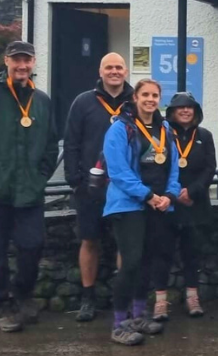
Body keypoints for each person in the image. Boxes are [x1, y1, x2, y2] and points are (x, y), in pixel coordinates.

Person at [102, 78, 179, 346]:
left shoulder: (165, 128)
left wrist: (169, 195)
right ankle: (119, 323)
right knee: (131, 262)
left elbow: (174, 166)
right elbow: (119, 171)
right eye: (145, 94)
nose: (150, 99)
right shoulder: (121, 128)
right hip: (129, 205)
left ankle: (138, 315)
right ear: (135, 97)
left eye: (155, 95)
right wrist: (147, 196)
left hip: (158, 206)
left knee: (148, 261)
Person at [62, 52, 133, 322]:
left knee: (124, 243)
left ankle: (122, 298)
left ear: (125, 71)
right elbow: (71, 142)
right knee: (89, 239)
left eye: (118, 67)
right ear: (100, 71)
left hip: (125, 188)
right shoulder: (83, 102)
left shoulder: (135, 101)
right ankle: (87, 298)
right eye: (109, 67)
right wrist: (74, 180)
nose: (114, 71)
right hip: (90, 188)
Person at [0, 42, 59, 334]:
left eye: (26, 60)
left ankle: (22, 295)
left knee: (32, 247)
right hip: (0, 191)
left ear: (33, 62)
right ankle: (5, 305)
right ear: (6, 61)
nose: (21, 66)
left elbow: (51, 143)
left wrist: (41, 176)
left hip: (29, 193)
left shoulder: (43, 100)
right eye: (16, 60)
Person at [153, 92, 216, 322]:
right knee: (162, 253)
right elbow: (157, 167)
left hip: (195, 204)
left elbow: (210, 168)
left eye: (189, 107)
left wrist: (192, 191)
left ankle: (192, 297)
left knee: (192, 254)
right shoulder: (162, 134)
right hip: (167, 204)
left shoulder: (205, 135)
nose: (185, 111)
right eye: (180, 107)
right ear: (171, 112)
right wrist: (173, 193)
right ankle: (160, 301)